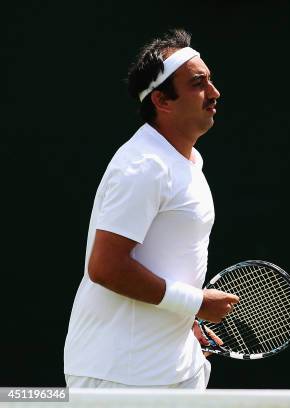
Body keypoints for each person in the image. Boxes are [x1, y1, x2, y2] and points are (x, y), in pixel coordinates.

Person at [64, 29, 239, 389]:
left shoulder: (188, 162)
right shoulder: (143, 165)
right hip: (118, 379)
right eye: (198, 83)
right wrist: (195, 302)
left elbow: (162, 259)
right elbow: (106, 267)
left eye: (210, 81)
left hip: (174, 370)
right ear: (163, 101)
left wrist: (184, 319)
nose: (214, 93)